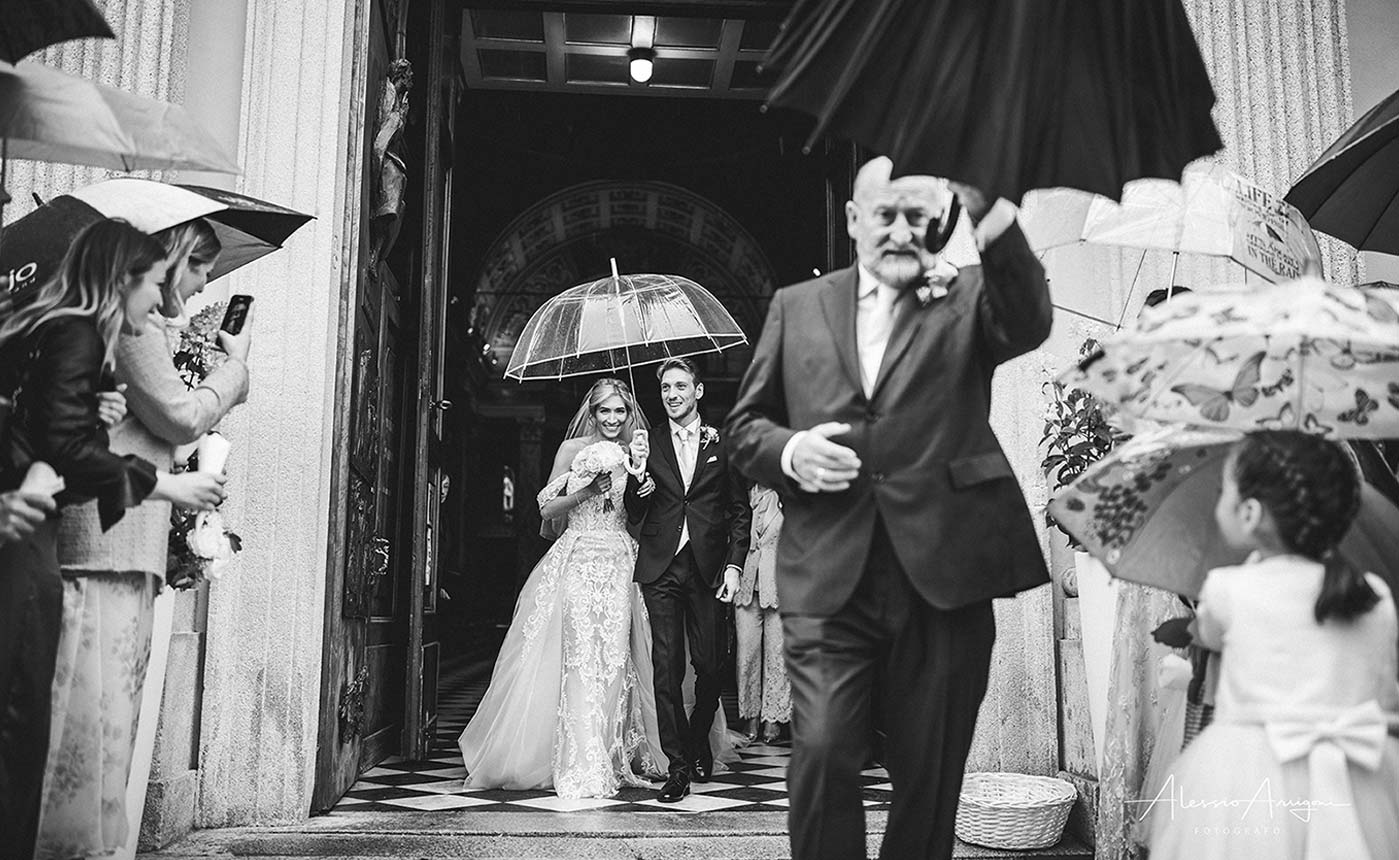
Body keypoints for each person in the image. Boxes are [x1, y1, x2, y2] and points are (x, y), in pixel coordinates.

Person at [726, 155, 1052, 860]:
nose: (901, 230)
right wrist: (789, 452)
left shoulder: (965, 295)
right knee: (820, 754)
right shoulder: (796, 306)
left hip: (943, 573)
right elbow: (744, 429)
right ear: (852, 220)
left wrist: (990, 209)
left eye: (916, 216)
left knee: (928, 776)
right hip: (827, 571)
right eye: (885, 214)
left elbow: (1029, 321)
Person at [0, 219, 225, 859]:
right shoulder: (75, 330)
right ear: (123, 279)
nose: (161, 301)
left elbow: (53, 433)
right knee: (32, 727)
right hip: (48, 540)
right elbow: (65, 446)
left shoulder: (56, 332)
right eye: (155, 284)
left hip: (41, 526)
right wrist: (168, 486)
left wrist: (91, 416)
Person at [1147, 430, 1399, 860]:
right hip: (1359, 775)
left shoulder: (1228, 589)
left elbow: (1206, 635)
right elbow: (1386, 695)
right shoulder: (1373, 594)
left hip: (1249, 781)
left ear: (1249, 513)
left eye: (1224, 491)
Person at [459, 378, 667, 797]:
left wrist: (642, 483)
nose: (612, 419)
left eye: (620, 412)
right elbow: (545, 508)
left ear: (629, 415)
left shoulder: (636, 452)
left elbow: (643, 515)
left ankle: (611, 752)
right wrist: (588, 489)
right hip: (576, 561)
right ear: (591, 413)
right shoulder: (571, 451)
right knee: (578, 657)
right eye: (604, 411)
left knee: (616, 659)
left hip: (619, 564)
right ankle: (579, 758)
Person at [624, 358, 751, 803]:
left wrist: (734, 567)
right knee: (666, 668)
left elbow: (739, 511)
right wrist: (637, 478)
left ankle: (698, 739)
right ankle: (678, 767)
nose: (672, 394)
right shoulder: (648, 442)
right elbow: (635, 513)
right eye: (665, 389)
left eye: (680, 386)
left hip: (709, 569)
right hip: (660, 567)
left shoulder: (722, 443)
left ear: (698, 391)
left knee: (712, 666)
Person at [735, 482, 791, 742]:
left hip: (779, 585)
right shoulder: (742, 494)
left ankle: (773, 717)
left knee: (777, 654)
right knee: (746, 654)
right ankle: (750, 714)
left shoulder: (788, 494)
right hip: (746, 585)